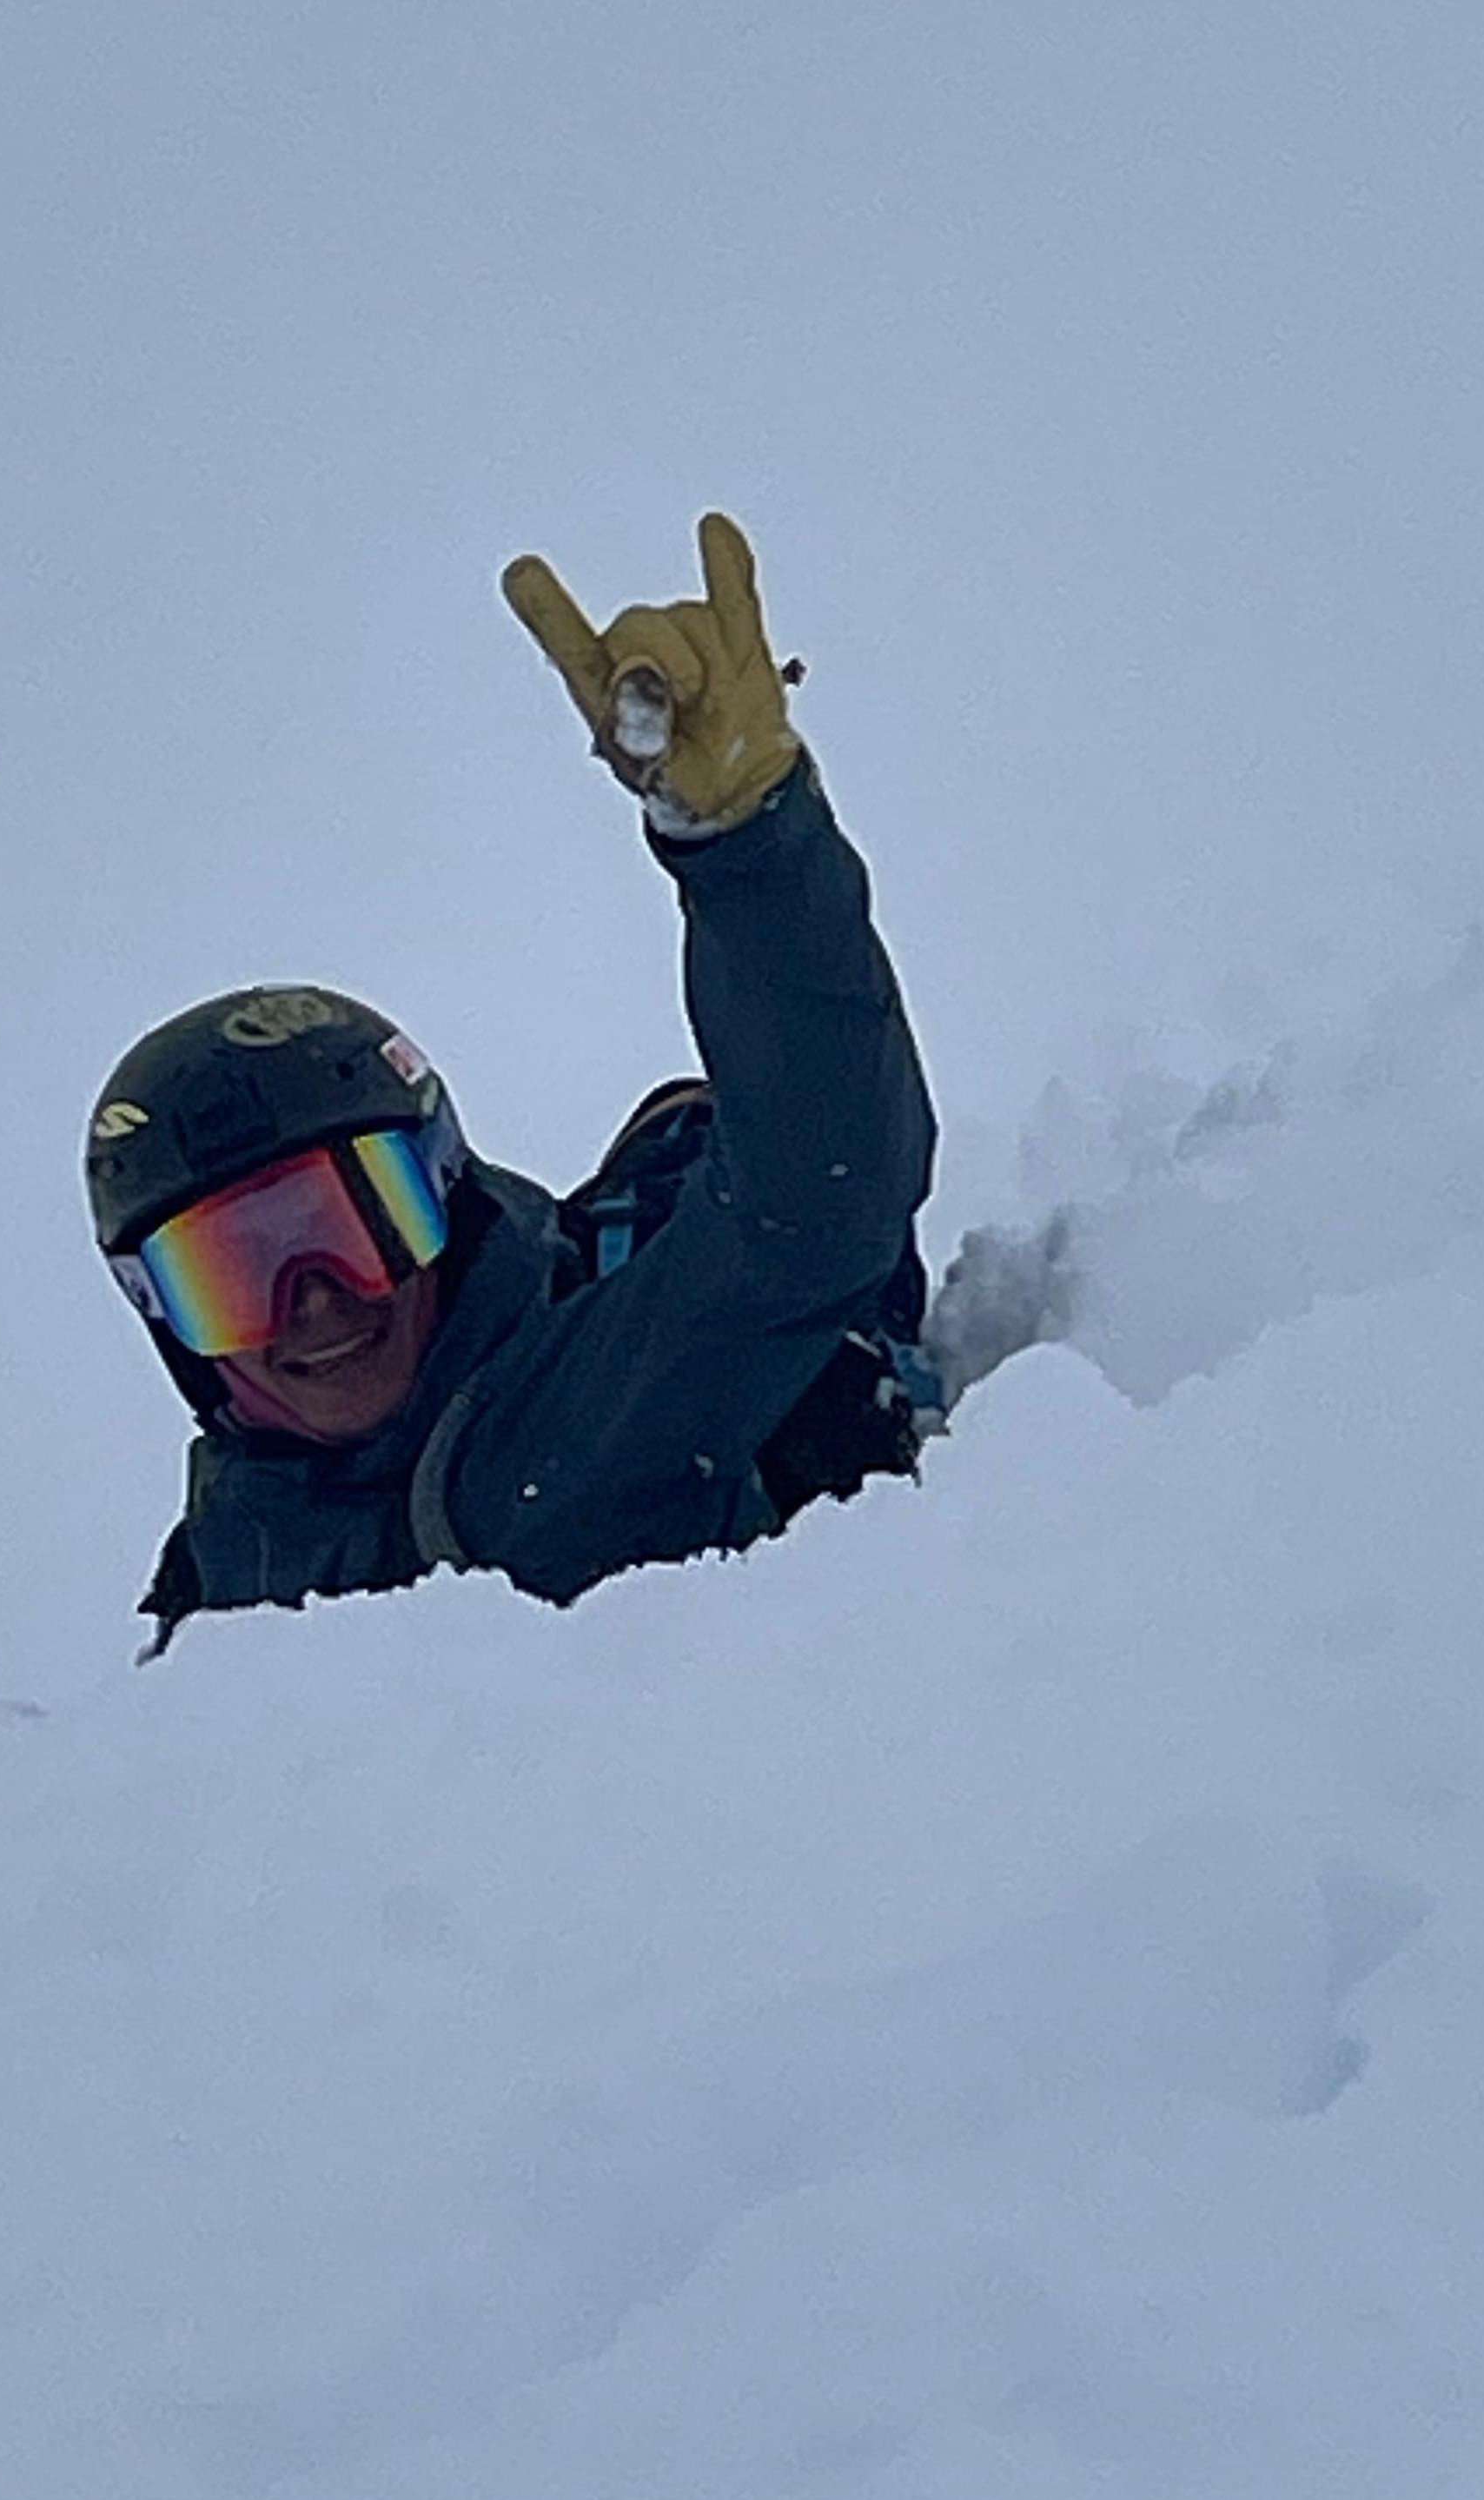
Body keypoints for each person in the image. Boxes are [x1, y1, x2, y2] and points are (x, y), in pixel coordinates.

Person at [84, 514, 939, 1651]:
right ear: (170, 1329)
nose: (316, 1301)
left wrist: (746, 849)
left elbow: (815, 1203)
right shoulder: (228, 1570)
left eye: (351, 1222)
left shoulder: (568, 1434)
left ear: (441, 1194)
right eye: (232, 1273)